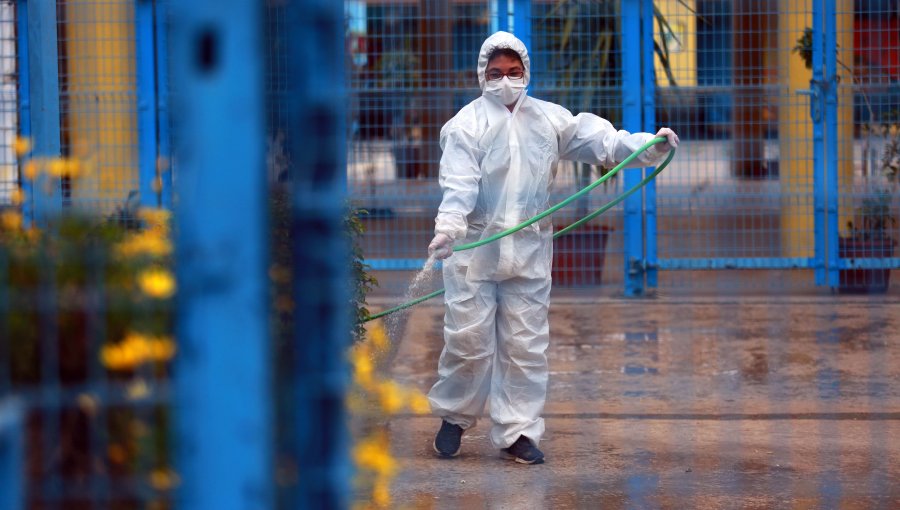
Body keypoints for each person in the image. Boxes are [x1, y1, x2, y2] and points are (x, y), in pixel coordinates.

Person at [426, 31, 678, 465]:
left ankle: (517, 432)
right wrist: (449, 227)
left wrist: (646, 146)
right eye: (496, 73)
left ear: (525, 72)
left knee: (525, 344)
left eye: (513, 72)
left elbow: (601, 141)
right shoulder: (465, 125)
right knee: (468, 341)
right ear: (482, 76)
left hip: (528, 249)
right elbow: (459, 182)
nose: (505, 81)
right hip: (475, 249)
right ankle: (454, 418)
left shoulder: (548, 119)